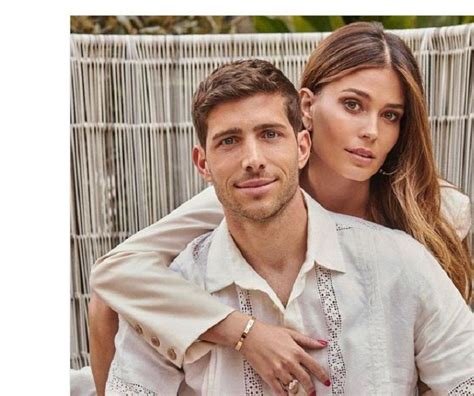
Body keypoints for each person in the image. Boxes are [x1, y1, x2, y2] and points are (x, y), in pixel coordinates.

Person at [89, 22, 473, 394]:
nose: (371, 130)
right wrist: (243, 331)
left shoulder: (433, 214)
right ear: (308, 107)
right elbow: (114, 274)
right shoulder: (255, 188)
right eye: (352, 105)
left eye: (391, 115)